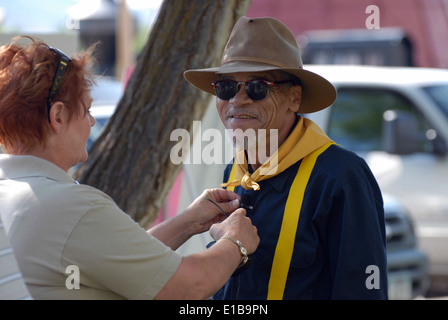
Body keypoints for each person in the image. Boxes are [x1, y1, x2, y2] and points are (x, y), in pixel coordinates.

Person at [0, 36, 259, 300]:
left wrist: (190, 221)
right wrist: (235, 243)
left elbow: (118, 260)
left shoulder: (12, 192)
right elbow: (187, 287)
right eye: (86, 110)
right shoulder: (69, 207)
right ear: (57, 117)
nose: (91, 121)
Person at [184, 16, 388, 299]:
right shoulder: (235, 170)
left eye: (257, 87)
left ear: (294, 98)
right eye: (226, 87)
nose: (236, 100)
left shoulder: (341, 177)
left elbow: (363, 291)